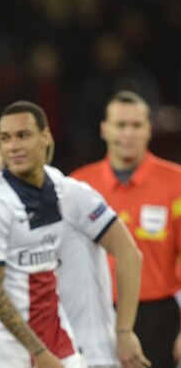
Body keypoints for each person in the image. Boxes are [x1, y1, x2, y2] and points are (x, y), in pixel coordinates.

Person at [0, 100, 148, 368]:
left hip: (73, 341)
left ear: (45, 137)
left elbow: (129, 253)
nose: (11, 149)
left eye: (23, 136)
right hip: (12, 349)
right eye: (4, 142)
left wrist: (124, 330)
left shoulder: (65, 191)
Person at [71, 90, 181, 367]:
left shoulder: (176, 183)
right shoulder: (79, 186)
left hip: (158, 318)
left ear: (149, 129)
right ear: (104, 129)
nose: (128, 133)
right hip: (95, 315)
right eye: (121, 125)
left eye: (136, 125)